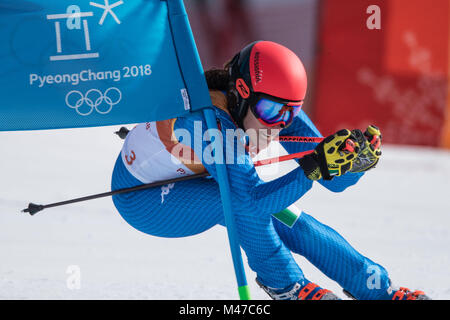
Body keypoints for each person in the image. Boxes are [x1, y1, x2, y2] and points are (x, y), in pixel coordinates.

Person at [111, 41, 430, 300]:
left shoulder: (276, 109)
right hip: (148, 201)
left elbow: (333, 180)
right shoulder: (205, 121)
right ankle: (288, 288)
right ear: (241, 90)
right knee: (242, 207)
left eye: (290, 112)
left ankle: (377, 289)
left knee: (296, 222)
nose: (276, 123)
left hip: (205, 185)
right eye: (270, 110)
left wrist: (354, 162)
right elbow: (252, 203)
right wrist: (312, 167)